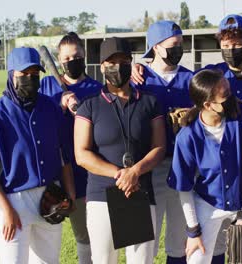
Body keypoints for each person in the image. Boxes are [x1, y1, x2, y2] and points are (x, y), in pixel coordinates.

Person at [0, 47, 76, 264]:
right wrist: (6, 210)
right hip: (12, 200)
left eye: (35, 74)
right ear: (11, 74)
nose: (29, 79)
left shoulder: (50, 108)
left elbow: (64, 157)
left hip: (49, 197)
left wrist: (70, 195)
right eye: (23, 74)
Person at [74, 37, 166, 264]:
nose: (118, 66)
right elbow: (82, 154)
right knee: (104, 260)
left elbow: (159, 147)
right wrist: (120, 174)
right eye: (112, 62)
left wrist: (135, 172)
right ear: (102, 66)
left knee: (141, 260)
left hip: (139, 191)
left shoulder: (148, 102)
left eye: (124, 60)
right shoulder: (90, 105)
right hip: (102, 194)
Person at [167, 69, 242, 263]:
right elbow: (184, 188)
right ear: (207, 105)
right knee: (196, 257)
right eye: (226, 96)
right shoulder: (187, 136)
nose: (232, 98)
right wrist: (193, 230)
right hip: (208, 203)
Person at [131, 20, 193, 264]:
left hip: (183, 166)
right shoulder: (140, 79)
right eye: (173, 44)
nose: (178, 49)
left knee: (179, 239)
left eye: (180, 44)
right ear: (155, 47)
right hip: (148, 167)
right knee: (145, 241)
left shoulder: (191, 79)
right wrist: (134, 66)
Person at [39, 32, 102, 264]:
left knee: (86, 235)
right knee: (45, 235)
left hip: (84, 172)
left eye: (76, 56)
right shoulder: (47, 85)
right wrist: (60, 106)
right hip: (52, 170)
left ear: (84, 55)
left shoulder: (96, 88)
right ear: (59, 59)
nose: (71, 62)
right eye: (65, 59)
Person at [131, 14, 242, 101]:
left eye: (237, 44)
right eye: (225, 45)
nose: (231, 49)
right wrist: (136, 67)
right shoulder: (212, 74)